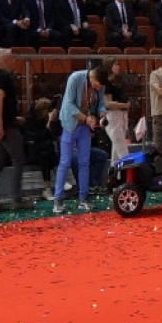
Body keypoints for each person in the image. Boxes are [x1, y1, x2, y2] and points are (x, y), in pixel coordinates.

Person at [52, 64, 107, 214]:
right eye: (96, 85)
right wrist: (86, 118)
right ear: (92, 77)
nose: (98, 89)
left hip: (84, 127)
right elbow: (69, 105)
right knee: (65, 162)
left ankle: (84, 198)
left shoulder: (100, 86)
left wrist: (102, 113)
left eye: (100, 87)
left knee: (84, 162)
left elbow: (101, 103)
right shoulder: (75, 78)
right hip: (70, 124)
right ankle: (58, 200)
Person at [0, 48, 29, 212]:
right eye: (12, 59)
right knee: (18, 159)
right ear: (4, 61)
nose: (14, 61)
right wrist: (1, 125)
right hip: (4, 127)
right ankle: (16, 198)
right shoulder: (3, 78)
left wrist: (11, 118)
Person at [102, 58, 131, 164]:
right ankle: (129, 169)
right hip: (113, 117)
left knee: (116, 154)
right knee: (123, 151)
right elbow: (108, 104)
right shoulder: (107, 83)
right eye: (116, 64)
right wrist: (123, 105)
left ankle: (114, 172)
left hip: (122, 116)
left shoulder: (117, 82)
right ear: (110, 66)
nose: (118, 67)